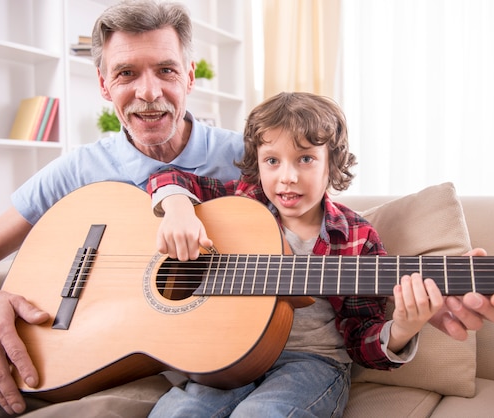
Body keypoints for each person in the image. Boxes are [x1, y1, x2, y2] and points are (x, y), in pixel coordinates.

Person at [0, 1, 494, 416]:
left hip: (252, 354)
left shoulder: (247, 163)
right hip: (116, 344)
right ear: (104, 84)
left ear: (191, 75)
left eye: (166, 70)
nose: (150, 92)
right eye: (127, 73)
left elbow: (343, 277)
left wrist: (409, 320)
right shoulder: (76, 171)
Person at [145, 91, 451, 416]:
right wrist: (178, 209)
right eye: (272, 161)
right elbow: (168, 177)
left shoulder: (357, 237)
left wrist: (403, 329)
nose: (287, 177)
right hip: (231, 354)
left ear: (331, 163)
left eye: (305, 159)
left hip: (312, 360)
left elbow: (362, 337)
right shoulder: (243, 202)